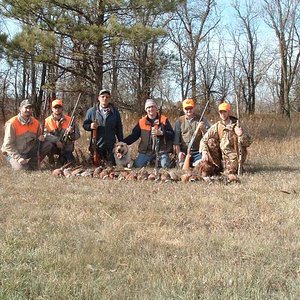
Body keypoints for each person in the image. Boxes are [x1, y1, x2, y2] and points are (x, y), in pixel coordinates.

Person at [199, 102, 252, 175]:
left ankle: (234, 168)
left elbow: (248, 142)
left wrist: (241, 135)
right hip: (221, 157)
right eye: (221, 112)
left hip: (234, 156)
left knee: (227, 174)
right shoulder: (217, 126)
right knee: (211, 141)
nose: (222, 114)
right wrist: (204, 151)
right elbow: (203, 140)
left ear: (229, 112)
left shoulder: (237, 125)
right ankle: (217, 166)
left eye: (225, 112)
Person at [1, 99, 53, 170]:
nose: (28, 110)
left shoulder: (36, 123)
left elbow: (39, 137)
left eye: (30, 108)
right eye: (26, 108)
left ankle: (33, 164)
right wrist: (18, 158)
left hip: (27, 150)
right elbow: (8, 145)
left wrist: (41, 137)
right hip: (14, 152)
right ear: (20, 109)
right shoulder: (12, 123)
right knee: (21, 169)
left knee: (48, 145)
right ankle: (16, 162)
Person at [123, 99, 174, 168]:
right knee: (137, 165)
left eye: (153, 107)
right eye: (148, 107)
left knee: (166, 166)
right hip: (146, 151)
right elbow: (134, 136)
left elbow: (172, 134)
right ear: (146, 110)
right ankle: (153, 161)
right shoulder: (142, 122)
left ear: (156, 108)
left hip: (161, 151)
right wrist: (123, 142)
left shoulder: (163, 120)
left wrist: (162, 133)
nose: (151, 109)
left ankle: (160, 161)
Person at [83, 89, 123, 165]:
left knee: (111, 165)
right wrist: (90, 126)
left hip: (110, 146)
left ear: (109, 99)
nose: (105, 98)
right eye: (103, 96)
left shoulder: (115, 112)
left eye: (107, 97)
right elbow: (85, 125)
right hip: (97, 146)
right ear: (98, 98)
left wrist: (121, 142)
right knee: (94, 165)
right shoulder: (91, 111)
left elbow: (119, 128)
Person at [173, 98, 209, 168]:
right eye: (186, 109)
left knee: (202, 166)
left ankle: (194, 163)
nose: (189, 110)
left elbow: (208, 137)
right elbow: (176, 142)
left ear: (194, 108)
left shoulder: (201, 119)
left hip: (198, 151)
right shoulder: (179, 121)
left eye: (190, 108)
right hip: (184, 151)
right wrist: (179, 153)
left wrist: (203, 129)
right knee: (182, 167)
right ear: (183, 109)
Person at [44, 99, 81, 165]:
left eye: (59, 107)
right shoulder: (47, 121)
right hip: (53, 146)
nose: (57, 109)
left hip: (66, 148)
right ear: (52, 108)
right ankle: (51, 160)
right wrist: (56, 141)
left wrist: (71, 133)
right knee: (48, 146)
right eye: (55, 107)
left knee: (71, 163)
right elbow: (45, 135)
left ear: (62, 108)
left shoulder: (70, 120)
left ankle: (61, 159)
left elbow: (77, 135)